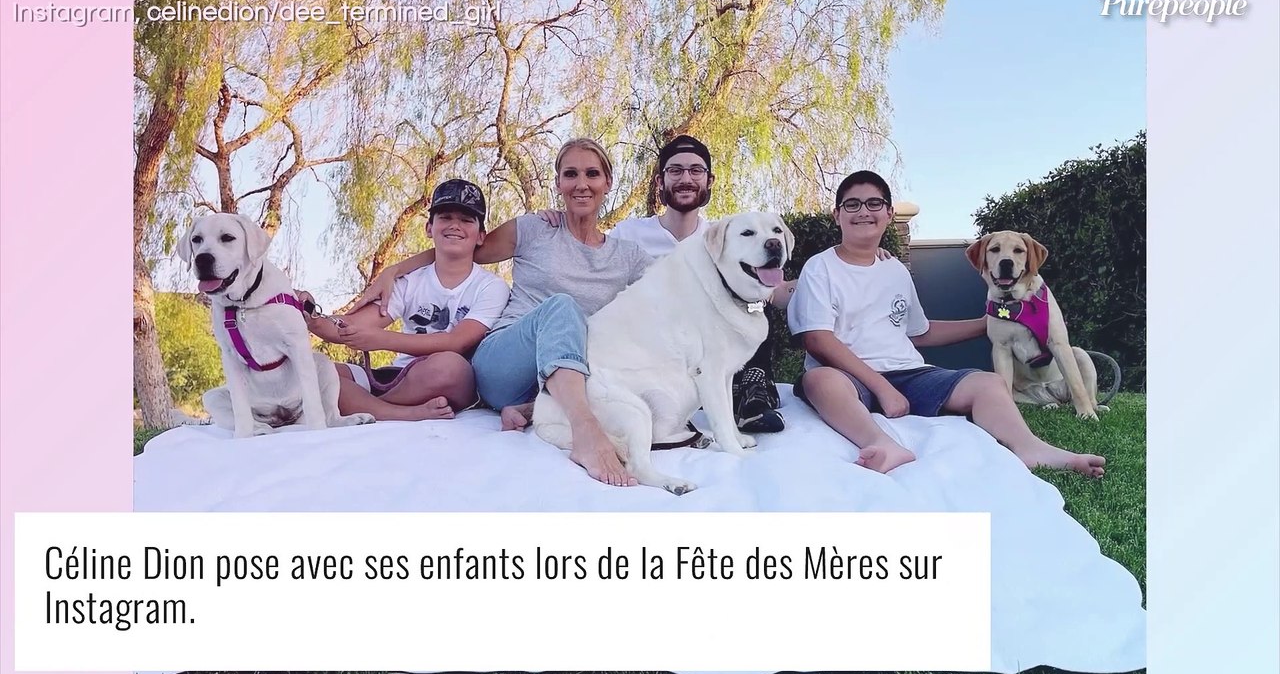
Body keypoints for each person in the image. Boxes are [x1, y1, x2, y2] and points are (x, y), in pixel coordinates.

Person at [538, 134, 894, 433]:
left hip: (713, 343)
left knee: (749, 311)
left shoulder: (728, 236)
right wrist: (555, 220)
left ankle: (751, 391)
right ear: (660, 181)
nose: (686, 178)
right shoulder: (630, 234)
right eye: (675, 171)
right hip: (660, 350)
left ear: (710, 181)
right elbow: (597, 275)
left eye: (696, 170)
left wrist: (841, 264)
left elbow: (773, 291)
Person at [350, 139, 652, 487]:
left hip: (567, 375)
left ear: (608, 182)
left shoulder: (628, 257)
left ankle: (529, 410)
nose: (581, 183)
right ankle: (586, 432)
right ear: (558, 183)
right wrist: (395, 270)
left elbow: (676, 286)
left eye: (592, 174)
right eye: (570, 174)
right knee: (562, 306)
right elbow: (461, 246)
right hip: (504, 364)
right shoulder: (534, 229)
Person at [787, 170, 1106, 478]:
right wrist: (882, 388)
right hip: (849, 378)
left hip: (910, 374)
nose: (863, 212)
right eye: (852, 204)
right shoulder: (820, 267)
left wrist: (988, 323)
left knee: (988, 383)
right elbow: (817, 340)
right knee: (820, 380)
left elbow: (920, 332)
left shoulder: (894, 269)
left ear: (888, 214)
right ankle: (881, 444)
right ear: (837, 215)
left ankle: (1030, 448)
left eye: (874, 204)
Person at [304, 179, 510, 422]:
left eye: (466, 220)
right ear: (428, 228)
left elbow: (457, 342)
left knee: (449, 367)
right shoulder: (408, 281)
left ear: (480, 236)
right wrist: (311, 317)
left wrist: (380, 340)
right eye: (445, 217)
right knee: (318, 373)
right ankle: (399, 412)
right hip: (397, 375)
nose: (455, 225)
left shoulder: (491, 287)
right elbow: (350, 327)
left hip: (451, 378)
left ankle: (367, 405)